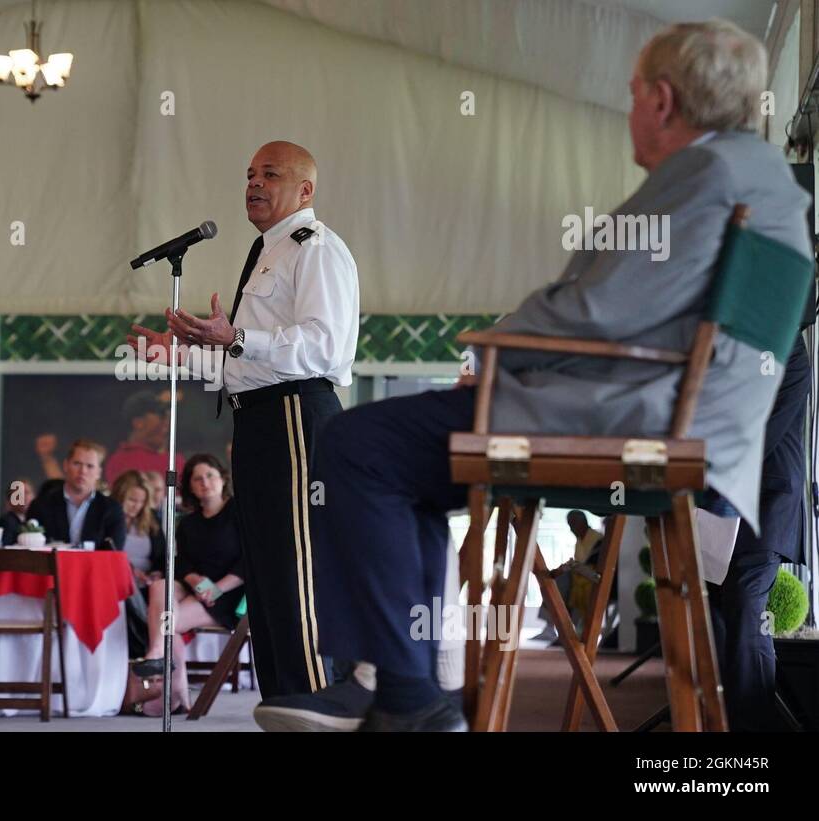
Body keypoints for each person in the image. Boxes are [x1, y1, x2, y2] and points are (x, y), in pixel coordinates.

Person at [256, 20, 810, 732]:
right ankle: (393, 678)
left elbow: (594, 309)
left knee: (359, 445)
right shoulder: (770, 187)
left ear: (664, 102)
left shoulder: (701, 176)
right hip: (680, 430)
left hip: (617, 421)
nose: (631, 108)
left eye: (635, 92)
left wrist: (495, 356)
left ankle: (399, 689)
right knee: (401, 463)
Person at [128, 140, 359, 699]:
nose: (254, 184)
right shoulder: (266, 251)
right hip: (256, 421)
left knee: (295, 568)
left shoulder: (316, 247)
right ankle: (282, 702)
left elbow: (325, 347)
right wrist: (180, 353)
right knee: (266, 570)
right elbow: (248, 360)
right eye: (249, 174)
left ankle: (317, 703)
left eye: (270, 175)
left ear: (305, 190)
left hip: (297, 417)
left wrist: (235, 336)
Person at [710, 333, 812, 731]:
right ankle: (724, 716)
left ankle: (751, 724)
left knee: (747, 608)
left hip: (766, 503)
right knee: (719, 609)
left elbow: (759, 433)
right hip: (723, 504)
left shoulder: (789, 350)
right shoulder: (738, 345)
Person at [133, 454, 244, 714]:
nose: (205, 482)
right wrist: (195, 580)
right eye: (197, 478)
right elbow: (182, 564)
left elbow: (250, 562)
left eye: (210, 476)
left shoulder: (238, 511)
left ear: (222, 478)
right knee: (160, 587)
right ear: (191, 486)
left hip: (230, 594)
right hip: (197, 587)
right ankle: (170, 671)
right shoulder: (189, 523)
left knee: (168, 622)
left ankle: (171, 679)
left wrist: (217, 588)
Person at [25, 439, 125, 549]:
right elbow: (30, 549)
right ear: (66, 465)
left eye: (90, 466)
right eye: (77, 464)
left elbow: (114, 553)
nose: (83, 471)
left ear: (98, 473)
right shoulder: (41, 505)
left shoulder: (111, 509)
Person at [111, 470, 166, 658]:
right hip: (119, 580)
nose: (137, 506)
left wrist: (157, 572)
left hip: (147, 583)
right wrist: (131, 571)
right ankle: (147, 644)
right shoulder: (109, 519)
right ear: (120, 495)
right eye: (132, 500)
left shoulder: (151, 520)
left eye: (141, 501)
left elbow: (162, 555)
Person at [103, 391, 183, 485]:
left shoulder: (175, 461)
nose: (167, 421)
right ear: (138, 422)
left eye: (168, 415)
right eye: (161, 415)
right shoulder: (121, 461)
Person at [0, 477, 34, 547]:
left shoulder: (33, 521)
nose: (24, 497)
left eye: (27, 492)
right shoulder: (6, 521)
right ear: (10, 500)